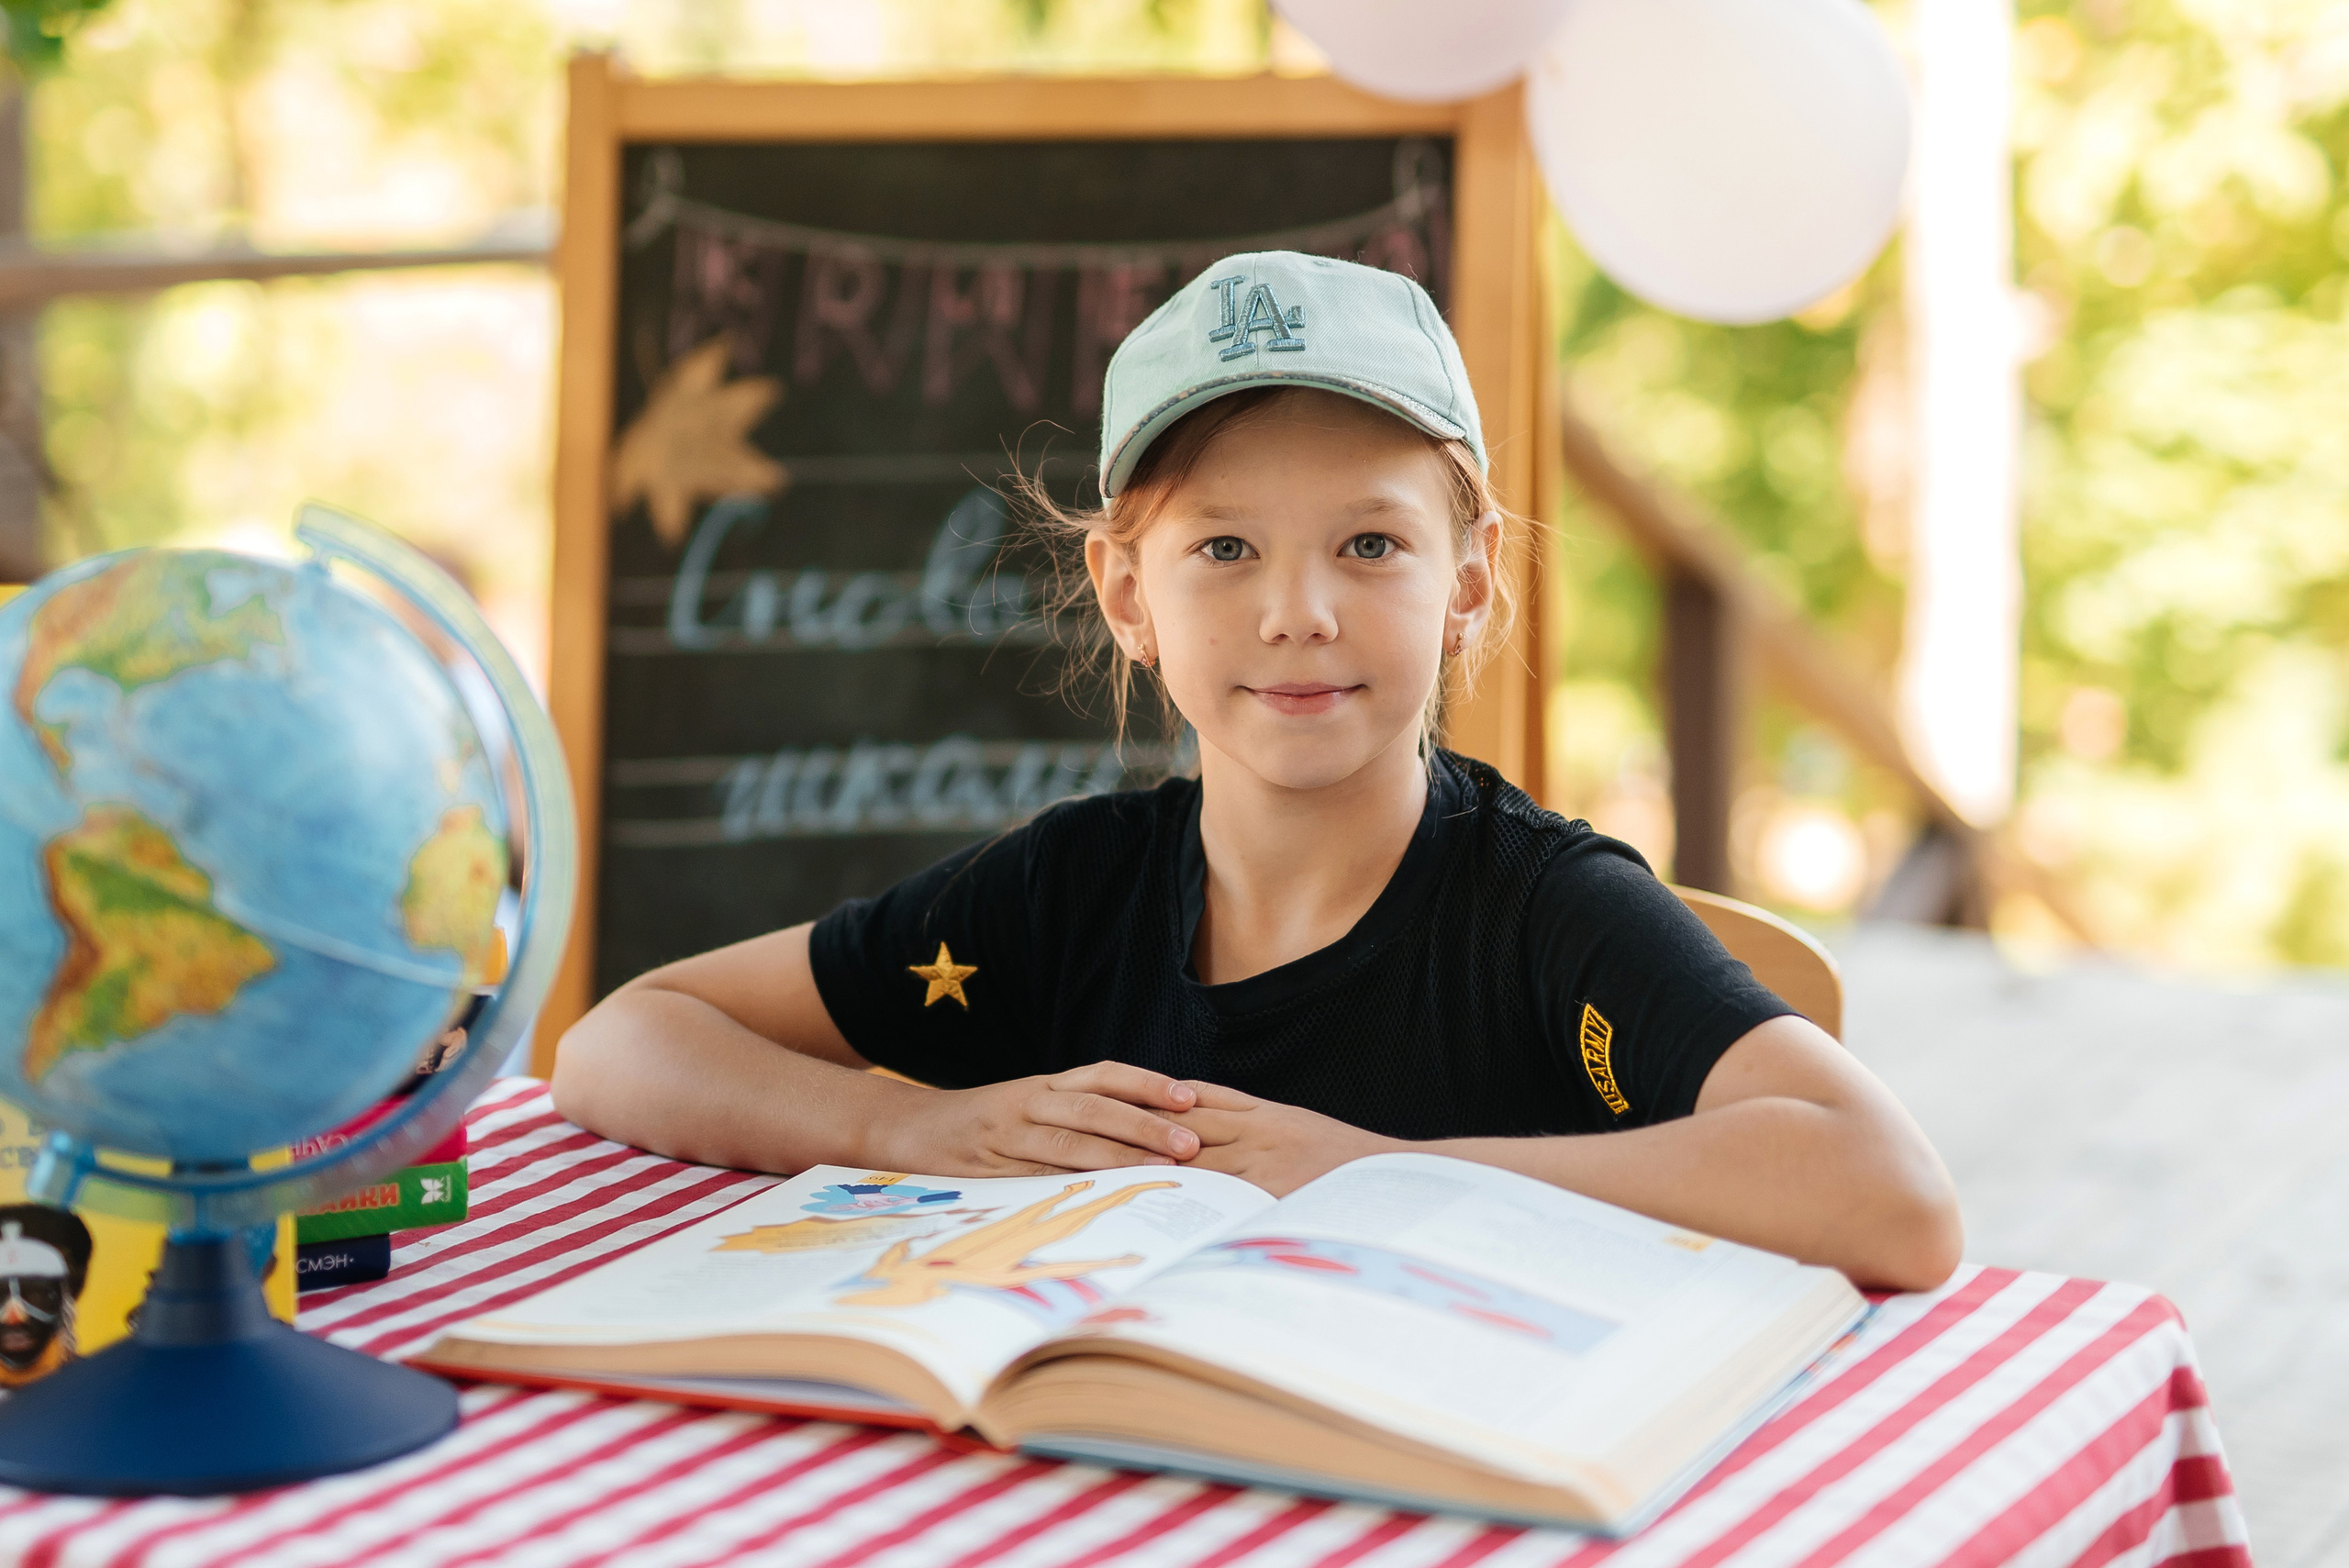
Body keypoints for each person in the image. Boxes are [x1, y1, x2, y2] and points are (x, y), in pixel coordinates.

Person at [556, 251, 1963, 1291]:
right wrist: (911, 1123)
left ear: (1466, 583)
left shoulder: (1542, 907)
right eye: (1225, 548)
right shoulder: (1068, 889)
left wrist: (1368, 1170)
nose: (1300, 612)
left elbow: (1893, 1195)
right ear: (1125, 592)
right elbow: (618, 1041)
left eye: (1370, 544)